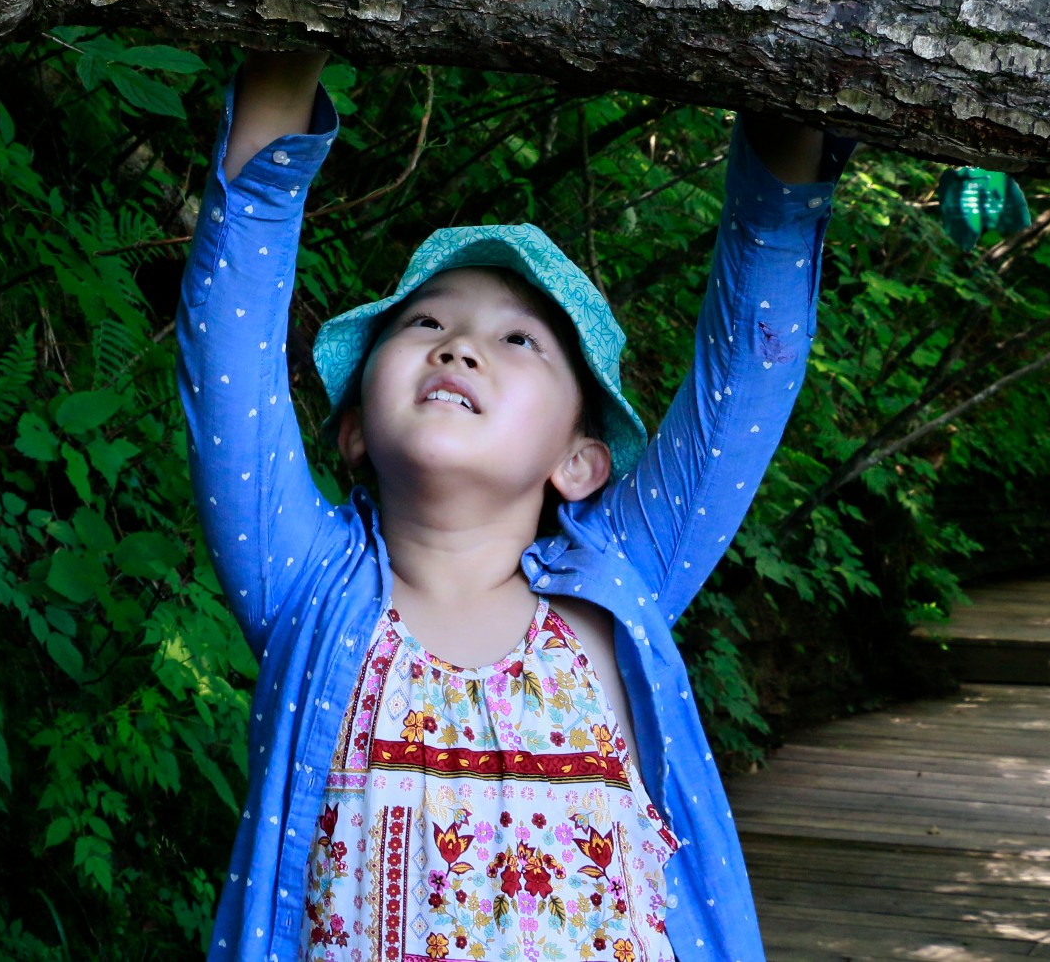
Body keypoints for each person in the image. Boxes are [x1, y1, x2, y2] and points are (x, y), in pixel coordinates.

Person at [177, 48, 851, 961]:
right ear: (354, 432)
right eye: (424, 321)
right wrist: (279, 77)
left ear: (579, 460)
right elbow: (231, 342)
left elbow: (746, 384)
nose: (458, 344)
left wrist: (786, 129)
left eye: (519, 337)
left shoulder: (619, 586)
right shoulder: (307, 585)